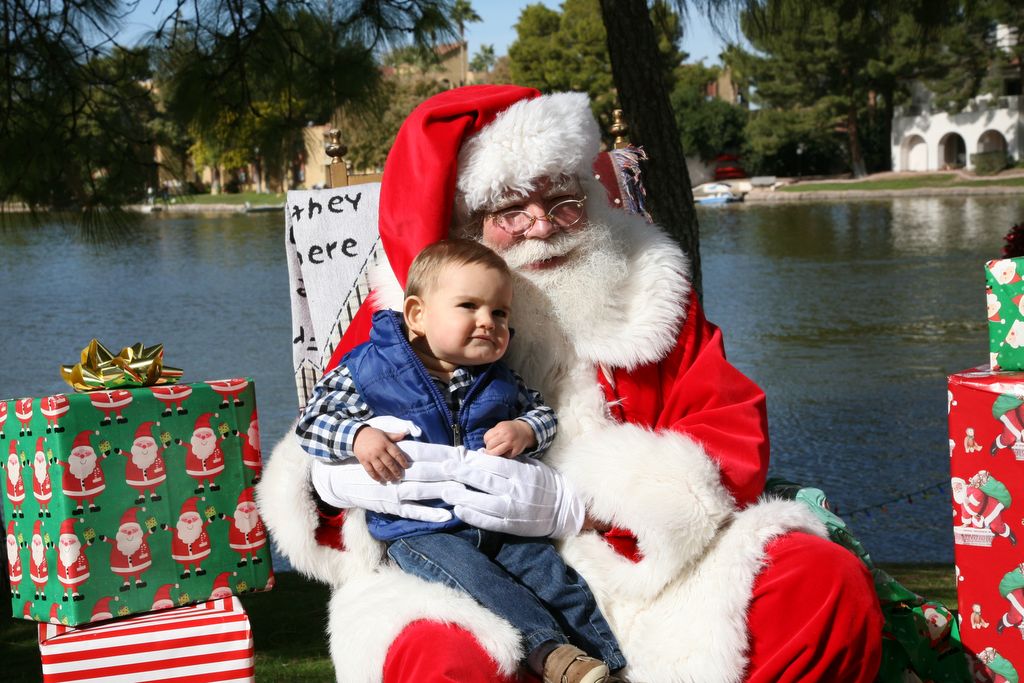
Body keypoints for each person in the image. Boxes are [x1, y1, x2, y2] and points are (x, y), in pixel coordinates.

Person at [257, 85, 883, 682]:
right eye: (511, 211)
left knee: (820, 579)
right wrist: (363, 475)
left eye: (562, 200)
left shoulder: (649, 293)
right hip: (461, 565)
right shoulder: (404, 324)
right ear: (466, 225)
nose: (544, 225)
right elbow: (320, 455)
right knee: (437, 653)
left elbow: (729, 425)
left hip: (642, 560)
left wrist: (585, 502)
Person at [296, 239, 625, 683]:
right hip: (420, 530)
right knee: (478, 580)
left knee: (551, 573)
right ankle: (548, 652)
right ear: (417, 314)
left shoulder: (499, 378)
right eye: (469, 306)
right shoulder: (370, 369)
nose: (488, 322)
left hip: (498, 519)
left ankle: (609, 662)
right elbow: (312, 422)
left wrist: (526, 430)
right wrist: (358, 435)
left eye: (500, 313)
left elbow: (542, 414)